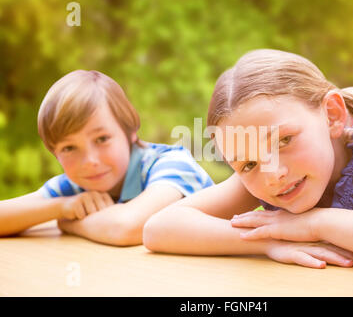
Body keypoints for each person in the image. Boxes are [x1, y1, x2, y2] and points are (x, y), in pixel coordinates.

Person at [144, 49, 353, 275]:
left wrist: (313, 224)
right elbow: (160, 228)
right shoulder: (265, 178)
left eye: (284, 141)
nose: (273, 174)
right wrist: (268, 242)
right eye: (247, 164)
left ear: (332, 115)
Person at [0, 70, 214, 245]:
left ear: (130, 131)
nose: (89, 160)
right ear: (54, 153)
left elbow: (127, 228)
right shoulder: (76, 188)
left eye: (102, 139)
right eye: (69, 148)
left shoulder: (171, 164)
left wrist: (68, 223)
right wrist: (61, 207)